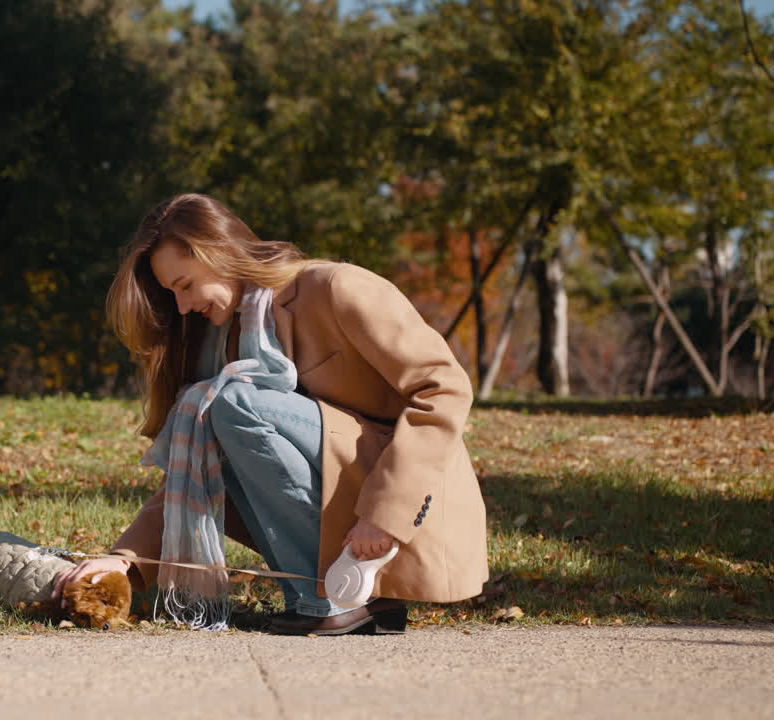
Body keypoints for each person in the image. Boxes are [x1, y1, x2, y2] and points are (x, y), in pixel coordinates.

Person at [52, 193, 488, 635]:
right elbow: (195, 469)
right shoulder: (223, 339)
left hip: (406, 501)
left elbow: (443, 389)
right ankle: (338, 597)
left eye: (185, 285)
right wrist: (125, 562)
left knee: (233, 402)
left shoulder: (335, 287)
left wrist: (383, 514)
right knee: (220, 410)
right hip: (344, 512)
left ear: (218, 251)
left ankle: (330, 599)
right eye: (171, 294)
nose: (182, 306)